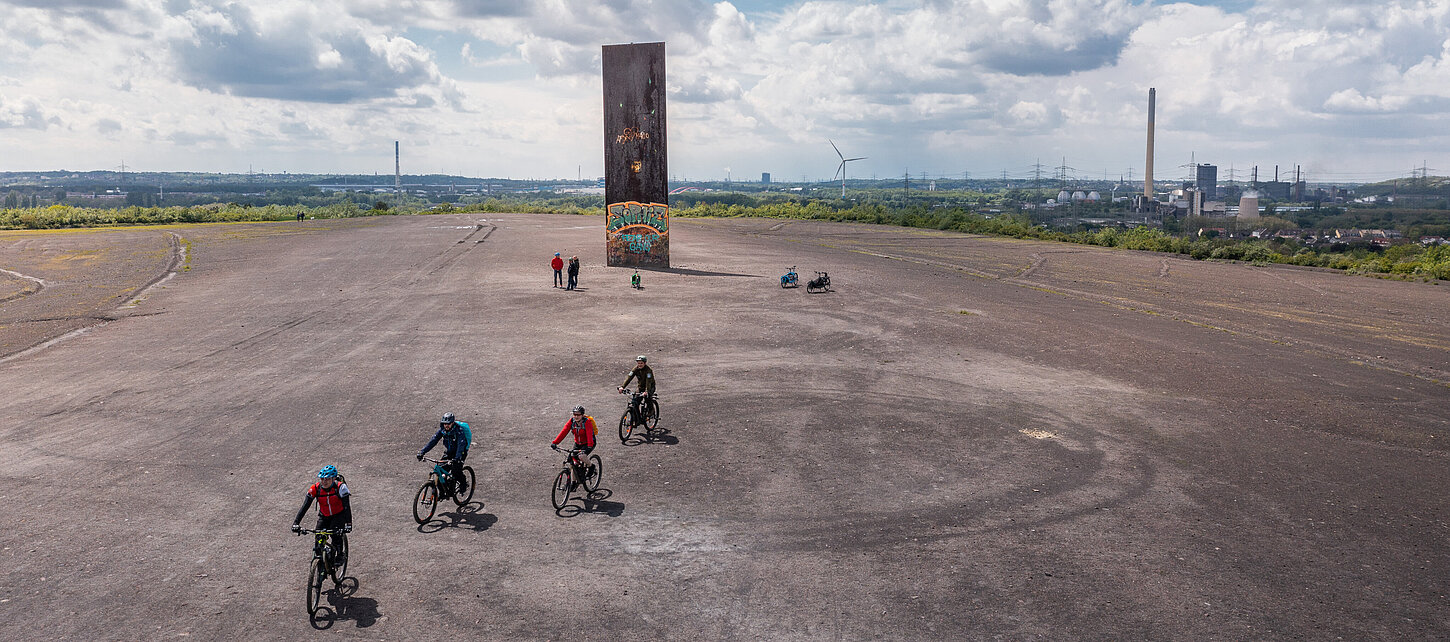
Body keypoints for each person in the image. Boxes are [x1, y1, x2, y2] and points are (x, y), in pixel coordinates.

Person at [291, 465, 352, 563]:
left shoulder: (341, 487)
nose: (324, 481)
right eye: (322, 479)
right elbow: (305, 507)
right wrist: (296, 523)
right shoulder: (315, 488)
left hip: (338, 515)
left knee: (336, 535)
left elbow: (346, 507)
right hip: (324, 516)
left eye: (327, 479)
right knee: (318, 537)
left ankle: (340, 554)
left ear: (333, 479)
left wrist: (348, 524)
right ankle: (319, 565)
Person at [417, 412, 472, 494]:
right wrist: (422, 452)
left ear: (452, 423)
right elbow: (433, 440)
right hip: (449, 452)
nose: (446, 426)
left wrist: (457, 458)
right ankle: (443, 493)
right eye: (444, 424)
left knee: (456, 471)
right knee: (440, 471)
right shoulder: (442, 430)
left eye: (448, 424)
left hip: (460, 453)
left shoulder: (459, 431)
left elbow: (461, 445)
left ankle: (463, 484)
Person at [550, 405, 597, 486]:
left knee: (581, 456)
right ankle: (574, 483)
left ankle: (591, 466)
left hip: (589, 443)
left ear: (582, 415)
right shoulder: (572, 421)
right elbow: (564, 431)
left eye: (578, 415)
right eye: (574, 414)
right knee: (572, 462)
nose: (576, 416)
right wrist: (555, 442)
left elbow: (589, 434)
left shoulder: (587, 422)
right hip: (578, 443)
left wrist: (589, 446)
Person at [617, 355, 656, 422]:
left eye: (641, 363)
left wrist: (646, 391)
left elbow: (648, 382)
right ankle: (637, 419)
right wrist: (622, 387)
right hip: (640, 387)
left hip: (649, 387)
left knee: (647, 397)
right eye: (638, 363)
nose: (639, 365)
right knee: (635, 402)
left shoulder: (648, 371)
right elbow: (629, 377)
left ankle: (651, 410)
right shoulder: (635, 369)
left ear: (645, 363)